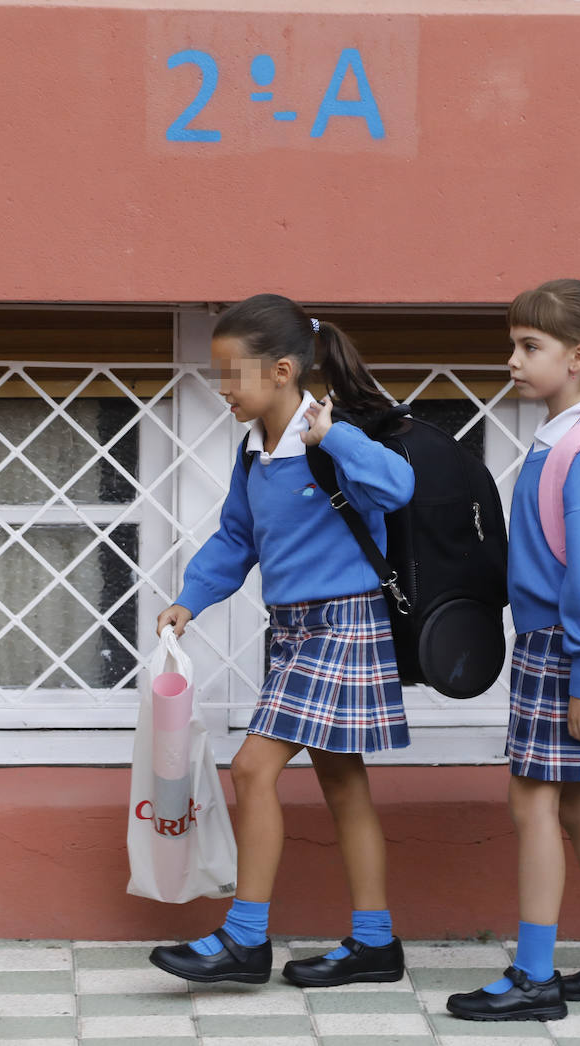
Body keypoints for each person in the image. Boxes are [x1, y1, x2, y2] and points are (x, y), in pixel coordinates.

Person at [149, 293, 414, 989]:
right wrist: (190, 600)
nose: (224, 390)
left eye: (233, 375)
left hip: (345, 623)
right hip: (294, 630)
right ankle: (375, 943)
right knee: (344, 785)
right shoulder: (255, 452)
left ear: (283, 371)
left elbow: (398, 486)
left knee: (252, 769)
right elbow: (236, 537)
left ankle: (244, 939)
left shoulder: (328, 438)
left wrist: (338, 439)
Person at [447, 279, 580, 1023]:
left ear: (578, 358)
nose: (512, 359)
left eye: (528, 347)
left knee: (532, 803)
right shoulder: (560, 443)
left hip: (567, 652)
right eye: (514, 343)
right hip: (557, 649)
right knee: (578, 807)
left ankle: (535, 975)